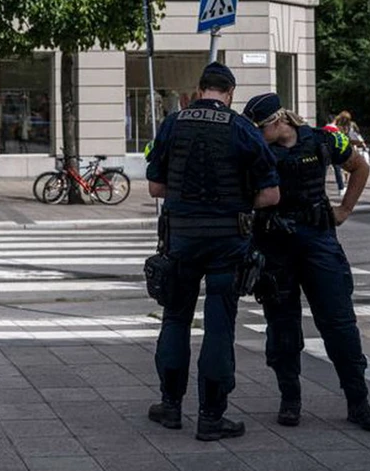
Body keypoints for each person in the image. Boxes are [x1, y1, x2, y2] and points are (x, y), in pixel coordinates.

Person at [145, 62, 280, 441]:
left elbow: (156, 187)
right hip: (227, 242)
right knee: (219, 325)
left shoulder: (174, 123)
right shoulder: (241, 129)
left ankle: (170, 407)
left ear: (199, 88)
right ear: (231, 93)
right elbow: (271, 194)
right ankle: (211, 416)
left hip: (181, 240)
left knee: (175, 318)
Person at [243, 93, 370, 433]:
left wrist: (345, 209)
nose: (256, 136)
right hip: (275, 246)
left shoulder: (323, 139)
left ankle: (358, 401)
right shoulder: (254, 149)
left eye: (260, 129)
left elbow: (359, 167)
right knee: (282, 327)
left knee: (339, 323)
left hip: (318, 240)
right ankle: (290, 399)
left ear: (278, 121)